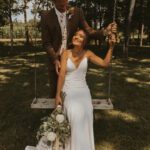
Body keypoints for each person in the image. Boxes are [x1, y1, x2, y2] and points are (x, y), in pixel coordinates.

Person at [41, 0, 117, 98]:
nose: (62, 3)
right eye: (58, 1)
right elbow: (46, 43)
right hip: (55, 58)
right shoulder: (46, 16)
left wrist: (106, 31)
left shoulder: (77, 12)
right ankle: (55, 112)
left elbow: (89, 31)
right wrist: (55, 60)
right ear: (53, 1)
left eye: (64, 0)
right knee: (55, 91)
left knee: (72, 90)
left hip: (72, 56)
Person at [54, 29, 116, 150]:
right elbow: (61, 75)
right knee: (74, 112)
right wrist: (57, 95)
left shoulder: (87, 53)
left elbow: (104, 64)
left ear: (84, 41)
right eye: (75, 35)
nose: (76, 37)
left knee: (87, 113)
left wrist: (111, 47)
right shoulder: (65, 53)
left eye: (80, 36)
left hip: (83, 90)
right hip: (69, 89)